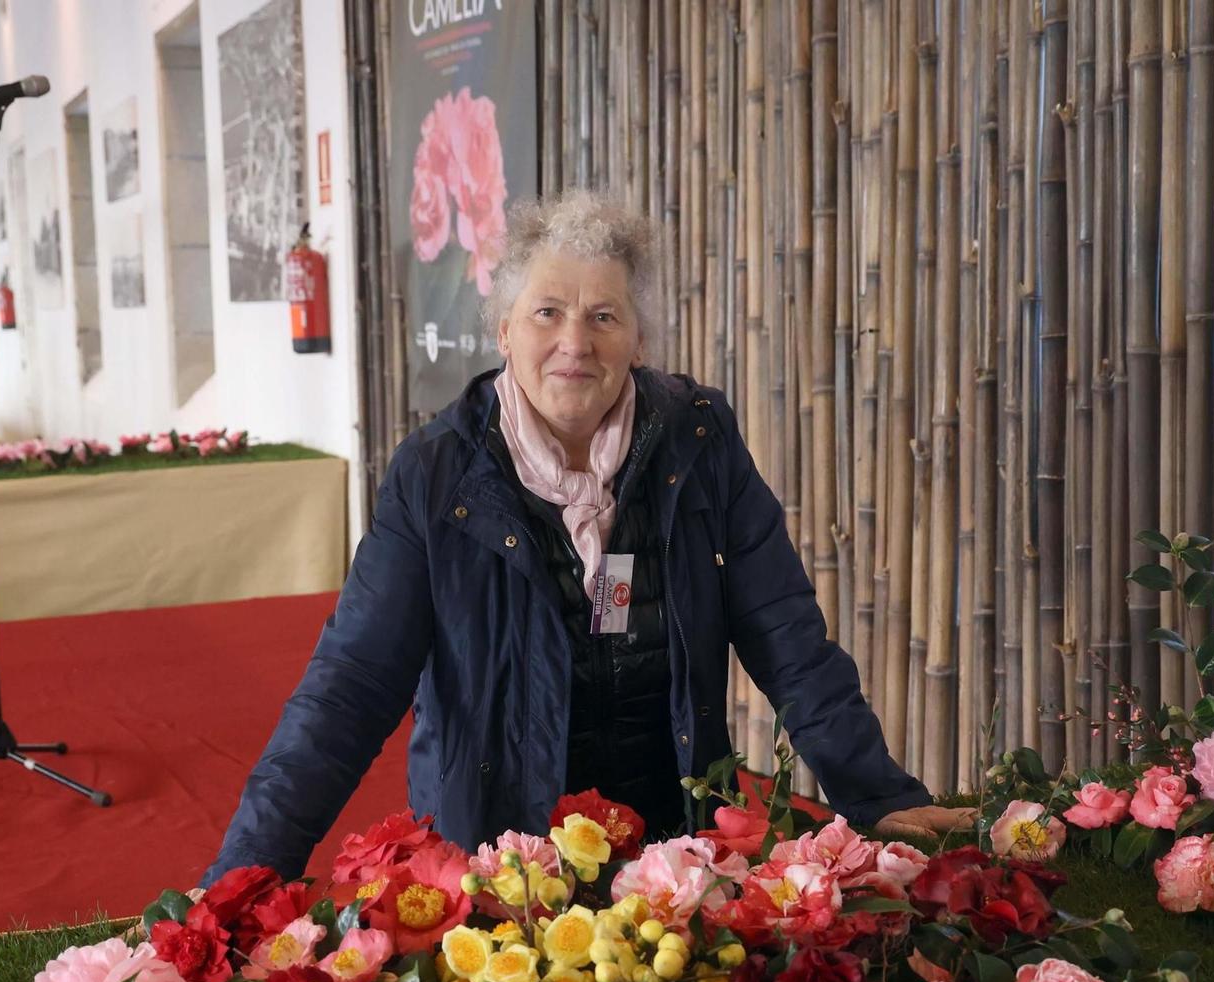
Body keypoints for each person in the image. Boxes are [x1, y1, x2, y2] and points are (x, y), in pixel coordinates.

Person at [207, 192, 970, 881]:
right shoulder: (436, 477)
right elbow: (351, 688)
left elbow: (787, 634)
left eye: (604, 316)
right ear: (503, 330)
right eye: (547, 312)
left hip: (674, 857)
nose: (576, 341)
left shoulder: (697, 443)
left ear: (639, 339)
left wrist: (874, 792)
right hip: (503, 867)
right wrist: (240, 882)